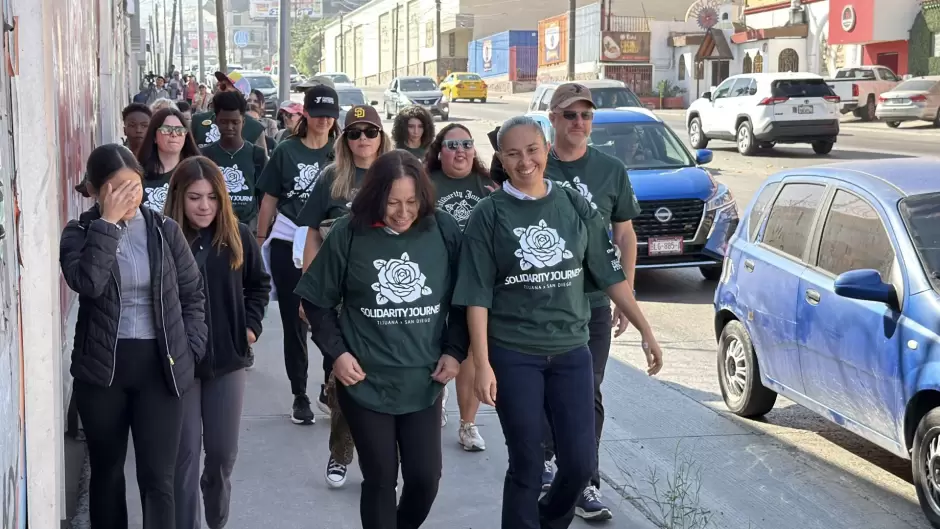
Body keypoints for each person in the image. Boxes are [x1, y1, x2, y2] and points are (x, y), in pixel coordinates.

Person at [452, 116, 663, 529]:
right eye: (513, 153)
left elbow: (608, 272)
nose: (524, 161)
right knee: (528, 464)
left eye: (532, 150)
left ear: (546, 149)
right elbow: (476, 297)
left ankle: (549, 522)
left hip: (571, 352)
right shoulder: (488, 215)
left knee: (580, 463)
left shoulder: (572, 204)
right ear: (501, 158)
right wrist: (482, 364)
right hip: (514, 354)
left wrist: (646, 328)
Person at [296, 150, 468, 529]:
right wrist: (337, 354)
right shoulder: (349, 232)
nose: (403, 212)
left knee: (425, 479)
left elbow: (464, 299)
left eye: (411, 201)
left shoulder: (442, 230)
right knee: (380, 479)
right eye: (393, 202)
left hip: (423, 380)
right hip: (364, 381)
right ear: (375, 196)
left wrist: (455, 351)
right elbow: (316, 301)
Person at [60, 143, 207, 529]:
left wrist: (190, 349)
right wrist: (107, 225)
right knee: (107, 474)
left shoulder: (164, 231)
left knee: (159, 478)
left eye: (135, 186)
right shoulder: (80, 232)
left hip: (161, 368)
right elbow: (88, 282)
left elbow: (193, 294)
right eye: (118, 189)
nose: (130, 196)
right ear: (94, 190)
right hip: (102, 372)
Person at [542, 83, 641, 521]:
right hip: (540, 301)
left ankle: (583, 479)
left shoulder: (610, 169)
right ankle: (547, 464)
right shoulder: (531, 162)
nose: (579, 123)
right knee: (545, 389)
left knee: (588, 391)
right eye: (570, 115)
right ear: (553, 118)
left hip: (594, 301)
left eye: (586, 116)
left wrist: (627, 292)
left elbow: (624, 234)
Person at [165, 156, 271, 529]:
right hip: (180, 365)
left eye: (212, 196)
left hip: (228, 361)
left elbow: (259, 285)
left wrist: (250, 327)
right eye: (195, 197)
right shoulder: (164, 238)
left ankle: (217, 519)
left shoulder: (238, 235)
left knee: (222, 455)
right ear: (179, 197)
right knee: (185, 455)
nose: (205, 206)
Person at [295, 103, 392, 488]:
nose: (363, 139)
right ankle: (340, 452)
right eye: (354, 133)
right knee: (342, 378)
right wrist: (308, 291)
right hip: (339, 295)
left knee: (388, 376)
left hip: (388, 292)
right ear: (344, 140)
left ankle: (385, 462)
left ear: (382, 136)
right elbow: (312, 237)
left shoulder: (397, 174)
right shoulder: (332, 179)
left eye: (370, 132)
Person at [255, 84, 340, 426]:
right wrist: (260, 238)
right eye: (317, 114)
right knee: (295, 321)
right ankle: (300, 393)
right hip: (289, 238)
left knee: (332, 318)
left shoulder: (341, 151)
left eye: (329, 115)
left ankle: (329, 388)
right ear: (305, 114)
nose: (323, 121)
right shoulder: (287, 150)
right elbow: (270, 199)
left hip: (330, 241)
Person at [424, 123, 495, 450]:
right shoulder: (426, 184)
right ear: (440, 152)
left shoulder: (487, 185)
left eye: (467, 143)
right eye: (452, 145)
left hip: (476, 282)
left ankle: (468, 425)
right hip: (435, 279)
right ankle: (436, 396)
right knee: (436, 346)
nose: (461, 150)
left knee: (469, 352)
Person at [200, 91, 267, 231]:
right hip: (213, 227)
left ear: (243, 121)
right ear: (215, 120)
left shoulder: (257, 155)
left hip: (249, 228)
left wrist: (261, 233)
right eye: (224, 122)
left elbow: (264, 197)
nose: (229, 127)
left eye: (235, 122)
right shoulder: (204, 155)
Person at [75, 103, 153, 197]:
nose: (139, 130)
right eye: (132, 125)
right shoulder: (112, 155)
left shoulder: (160, 155)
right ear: (124, 130)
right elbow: (86, 188)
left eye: (144, 126)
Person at [136, 107, 201, 212]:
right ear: (154, 137)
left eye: (180, 130)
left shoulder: (199, 171)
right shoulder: (137, 175)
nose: (174, 134)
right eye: (166, 130)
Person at [190, 71, 267, 154]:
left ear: (241, 94)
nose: (219, 89)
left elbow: (262, 162)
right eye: (220, 85)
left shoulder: (255, 128)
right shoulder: (198, 120)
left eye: (224, 87)